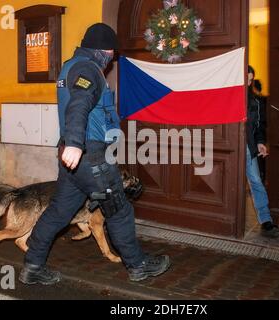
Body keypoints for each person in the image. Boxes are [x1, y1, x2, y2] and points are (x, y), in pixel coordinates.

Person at [19, 23, 170, 285]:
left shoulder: (69, 66)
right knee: (119, 210)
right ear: (104, 50)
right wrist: (77, 143)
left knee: (58, 212)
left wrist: (73, 145)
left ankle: (33, 265)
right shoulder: (88, 69)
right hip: (90, 155)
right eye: (111, 53)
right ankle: (138, 265)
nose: (112, 58)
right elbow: (79, 103)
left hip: (75, 160)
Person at [246, 65, 278, 234]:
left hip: (248, 147)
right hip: (231, 148)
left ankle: (266, 220)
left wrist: (260, 142)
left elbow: (258, 126)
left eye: (251, 79)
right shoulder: (229, 98)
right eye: (246, 78)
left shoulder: (256, 101)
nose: (248, 82)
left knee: (256, 181)